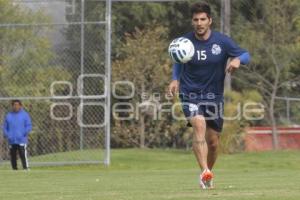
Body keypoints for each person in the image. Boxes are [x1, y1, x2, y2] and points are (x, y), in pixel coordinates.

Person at [168, 2, 250, 189]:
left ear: (210, 20)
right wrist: (175, 79)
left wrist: (237, 59)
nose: (199, 23)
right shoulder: (185, 42)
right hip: (190, 93)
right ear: (192, 21)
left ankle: (206, 174)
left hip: (214, 97)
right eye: (196, 19)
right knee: (199, 124)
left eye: (203, 19)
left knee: (213, 143)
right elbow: (178, 60)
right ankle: (204, 169)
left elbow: (246, 54)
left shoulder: (222, 42)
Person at [3, 100, 32, 170]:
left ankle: (25, 168)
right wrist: (8, 135)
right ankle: (14, 168)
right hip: (12, 140)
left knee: (22, 154)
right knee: (13, 155)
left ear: (20, 106)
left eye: (17, 105)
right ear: (12, 106)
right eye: (14, 105)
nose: (16, 106)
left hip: (21, 139)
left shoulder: (25, 115)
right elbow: (4, 127)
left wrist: (23, 133)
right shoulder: (8, 115)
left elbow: (29, 126)